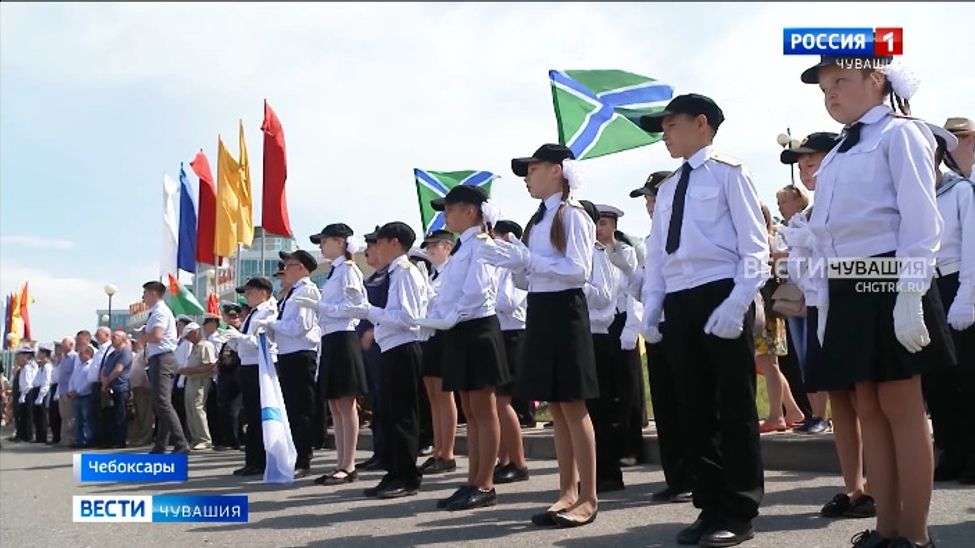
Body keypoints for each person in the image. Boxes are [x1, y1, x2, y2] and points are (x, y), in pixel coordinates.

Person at [799, 55, 956, 548]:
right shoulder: (843, 150)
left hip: (889, 274)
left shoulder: (901, 133)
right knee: (868, 404)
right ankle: (886, 527)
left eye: (840, 81)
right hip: (848, 282)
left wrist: (909, 292)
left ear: (877, 80)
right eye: (825, 88)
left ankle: (916, 534)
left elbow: (919, 217)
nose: (831, 94)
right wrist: (825, 299)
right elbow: (825, 234)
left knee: (901, 403)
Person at [639, 93, 768, 546]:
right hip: (680, 298)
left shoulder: (731, 172)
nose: (665, 135)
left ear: (701, 123)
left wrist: (738, 302)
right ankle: (709, 505)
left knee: (733, 406)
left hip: (721, 290)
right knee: (692, 407)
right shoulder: (672, 185)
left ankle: (739, 507)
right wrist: (653, 305)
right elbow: (657, 254)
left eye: (671, 126)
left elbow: (755, 246)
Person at [481, 143, 599, 527]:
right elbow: (530, 276)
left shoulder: (574, 215)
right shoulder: (537, 220)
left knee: (574, 405)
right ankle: (567, 490)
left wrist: (529, 260)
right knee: (558, 407)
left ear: (556, 171)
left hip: (566, 311)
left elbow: (578, 270)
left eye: (532, 170)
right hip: (542, 310)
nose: (527, 178)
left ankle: (589, 496)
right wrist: (515, 265)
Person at [778, 131, 876, 521]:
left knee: (867, 401)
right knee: (841, 401)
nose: (806, 169)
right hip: (820, 308)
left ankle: (878, 485)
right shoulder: (804, 216)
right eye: (802, 164)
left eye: (813, 161)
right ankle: (853, 486)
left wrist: (812, 241)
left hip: (851, 305)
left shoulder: (851, 202)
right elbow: (802, 274)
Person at [415, 185, 510, 511]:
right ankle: (472, 480)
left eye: (450, 208)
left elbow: (477, 292)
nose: (444, 215)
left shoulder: (482, 245)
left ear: (470, 211)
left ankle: (485, 484)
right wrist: (439, 316)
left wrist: (449, 316)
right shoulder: (463, 247)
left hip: (477, 329)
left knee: (483, 410)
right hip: (461, 330)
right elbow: (449, 292)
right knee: (470, 411)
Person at [624, 170, 694, 502]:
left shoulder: (683, 227)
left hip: (680, 322)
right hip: (657, 326)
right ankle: (677, 475)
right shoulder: (653, 236)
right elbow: (647, 284)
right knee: (666, 406)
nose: (649, 204)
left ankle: (695, 473)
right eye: (648, 199)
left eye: (653, 197)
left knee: (688, 402)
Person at [349, 221, 428, 499]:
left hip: (404, 347)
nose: (376, 249)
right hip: (392, 346)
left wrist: (369, 311)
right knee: (392, 413)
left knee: (404, 415)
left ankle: (407, 475)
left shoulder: (405, 272)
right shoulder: (396, 272)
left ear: (394, 243)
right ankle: (394, 471)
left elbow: (407, 317)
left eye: (379, 242)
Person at [921, 122, 975, 484]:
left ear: (940, 154)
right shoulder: (912, 196)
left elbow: (972, 247)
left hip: (959, 282)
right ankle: (952, 452)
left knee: (968, 376)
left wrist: (967, 297)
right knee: (936, 378)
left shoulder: (961, 191)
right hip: (927, 286)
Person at [298, 223, 370, 486]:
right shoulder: (335, 272)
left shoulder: (349, 270)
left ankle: (348, 464)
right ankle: (341, 462)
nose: (321, 246)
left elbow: (356, 306)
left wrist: (321, 306)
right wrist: (322, 308)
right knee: (335, 405)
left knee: (345, 403)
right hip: (331, 338)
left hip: (343, 337)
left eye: (325, 241)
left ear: (341, 242)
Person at [257, 249, 321, 479]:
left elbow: (300, 327)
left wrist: (273, 324)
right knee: (292, 409)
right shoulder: (291, 293)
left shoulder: (307, 290)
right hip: (288, 354)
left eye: (290, 264)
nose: (285, 270)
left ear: (302, 267)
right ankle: (296, 454)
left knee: (301, 409)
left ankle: (304, 458)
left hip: (301, 354)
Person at [774, 172, 829, 434]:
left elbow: (814, 252)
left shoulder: (807, 220)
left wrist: (784, 253)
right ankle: (813, 413)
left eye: (784, 201)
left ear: (798, 201)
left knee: (815, 355)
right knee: (802, 357)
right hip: (794, 296)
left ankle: (821, 414)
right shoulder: (787, 227)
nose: (780, 207)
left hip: (814, 295)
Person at [586, 202, 633, 493]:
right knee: (591, 408)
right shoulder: (585, 251)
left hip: (603, 330)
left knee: (603, 406)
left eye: (602, 223)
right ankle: (597, 471)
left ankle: (608, 472)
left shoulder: (604, 253)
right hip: (583, 332)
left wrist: (574, 282)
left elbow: (605, 297)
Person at [756, 203, 805, 433]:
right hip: (768, 307)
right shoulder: (769, 239)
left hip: (767, 308)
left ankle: (777, 415)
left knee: (769, 362)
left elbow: (781, 272)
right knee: (766, 362)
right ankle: (791, 409)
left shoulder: (765, 240)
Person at [416, 229, 459, 475]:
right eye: (428, 247)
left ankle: (448, 452)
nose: (430, 250)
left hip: (445, 333)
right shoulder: (433, 274)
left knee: (444, 394)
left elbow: (446, 302)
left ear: (448, 246)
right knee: (433, 394)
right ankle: (438, 449)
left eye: (436, 246)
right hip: (429, 332)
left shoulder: (452, 271)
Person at [491, 219, 530, 485]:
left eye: (496, 238)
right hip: (500, 334)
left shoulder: (514, 267)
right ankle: (504, 459)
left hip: (514, 334)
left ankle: (518, 461)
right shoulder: (499, 269)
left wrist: (485, 295)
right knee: (497, 401)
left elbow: (507, 301)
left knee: (503, 402)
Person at [230, 277, 278, 476]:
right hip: (248, 365)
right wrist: (234, 340)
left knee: (259, 415)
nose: (246, 296)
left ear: (262, 292)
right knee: (251, 415)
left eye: (249, 292)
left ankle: (260, 461)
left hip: (261, 366)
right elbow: (245, 343)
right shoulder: (253, 314)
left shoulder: (268, 311)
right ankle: (252, 460)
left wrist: (239, 337)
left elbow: (263, 342)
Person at [142, 280, 189, 454]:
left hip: (162, 359)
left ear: (153, 293)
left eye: (145, 293)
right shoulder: (156, 312)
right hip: (161, 359)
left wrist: (142, 336)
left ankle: (180, 442)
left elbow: (157, 335)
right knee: (162, 402)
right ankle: (161, 444)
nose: (143, 297)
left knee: (162, 402)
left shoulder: (160, 311)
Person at [358, 227, 389, 471]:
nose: (368, 250)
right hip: (369, 351)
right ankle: (380, 451)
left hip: (385, 346)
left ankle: (388, 452)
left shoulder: (393, 275)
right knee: (376, 400)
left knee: (387, 401)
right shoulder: (371, 279)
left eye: (372, 245)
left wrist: (374, 332)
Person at [178, 323, 216, 450]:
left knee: (198, 408)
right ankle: (195, 438)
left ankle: (204, 439)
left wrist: (191, 370)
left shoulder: (205, 345)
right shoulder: (195, 347)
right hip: (191, 380)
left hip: (200, 381)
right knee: (190, 409)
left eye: (189, 335)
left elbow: (210, 366)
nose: (188, 339)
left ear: (196, 332)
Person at [214, 302, 244, 451]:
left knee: (234, 410)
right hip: (225, 375)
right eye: (229, 316)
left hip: (236, 373)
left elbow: (240, 353)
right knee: (225, 409)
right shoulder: (226, 334)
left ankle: (235, 440)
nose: (233, 320)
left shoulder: (241, 332)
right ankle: (228, 439)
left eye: (235, 316)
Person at [99, 330, 132, 448]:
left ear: (123, 339)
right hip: (109, 388)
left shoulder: (125, 352)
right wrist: (104, 382)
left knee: (120, 415)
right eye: (112, 337)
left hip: (120, 387)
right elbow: (104, 369)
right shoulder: (111, 354)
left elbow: (119, 369)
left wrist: (107, 381)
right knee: (110, 415)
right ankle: (110, 439)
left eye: (115, 337)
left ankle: (120, 440)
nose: (112, 339)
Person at [127, 334, 155, 447]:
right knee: (139, 413)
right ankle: (139, 436)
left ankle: (145, 437)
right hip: (136, 386)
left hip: (144, 386)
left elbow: (148, 366)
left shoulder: (148, 350)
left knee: (145, 414)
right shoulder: (141, 351)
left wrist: (147, 381)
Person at [67, 344, 96, 448]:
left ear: (88, 353)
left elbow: (88, 382)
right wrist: (71, 390)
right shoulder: (79, 366)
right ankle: (79, 439)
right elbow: (72, 379)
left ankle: (87, 439)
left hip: (85, 395)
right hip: (76, 396)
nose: (79, 355)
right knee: (78, 419)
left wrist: (78, 391)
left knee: (86, 419)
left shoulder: (91, 365)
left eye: (81, 353)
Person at [55, 334, 82, 446]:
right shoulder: (63, 358)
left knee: (70, 417)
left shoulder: (75, 357)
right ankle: (64, 439)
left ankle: (70, 439)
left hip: (69, 391)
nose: (61, 346)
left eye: (64, 343)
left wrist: (72, 389)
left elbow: (74, 374)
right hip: (62, 390)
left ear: (71, 345)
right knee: (64, 416)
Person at [89, 326, 112, 447]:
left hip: (102, 384)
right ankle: (96, 438)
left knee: (104, 413)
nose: (96, 336)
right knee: (95, 413)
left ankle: (104, 439)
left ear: (107, 335)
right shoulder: (99, 349)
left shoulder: (109, 348)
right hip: (94, 385)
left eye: (99, 334)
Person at [13, 344, 38, 442]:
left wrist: (23, 395)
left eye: (20, 356)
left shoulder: (28, 367)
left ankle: (27, 436)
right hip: (23, 393)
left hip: (27, 393)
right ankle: (22, 435)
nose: (18, 359)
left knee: (27, 415)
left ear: (26, 356)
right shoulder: (24, 368)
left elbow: (27, 383)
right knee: (21, 415)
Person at [30, 344, 54, 443]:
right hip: (36, 390)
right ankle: (39, 436)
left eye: (40, 353)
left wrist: (41, 396)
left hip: (42, 392)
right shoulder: (41, 367)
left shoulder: (47, 367)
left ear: (45, 354)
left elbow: (46, 382)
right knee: (37, 416)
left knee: (42, 415)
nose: (38, 354)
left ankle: (42, 436)